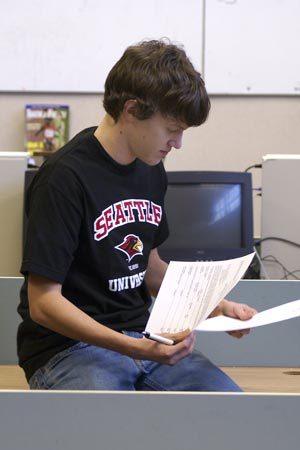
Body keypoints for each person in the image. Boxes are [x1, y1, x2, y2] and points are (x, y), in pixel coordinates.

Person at [17, 39, 257, 391]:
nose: (178, 143)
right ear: (131, 111)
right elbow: (43, 304)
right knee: (115, 427)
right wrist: (133, 347)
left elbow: (150, 268)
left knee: (228, 406)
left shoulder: (150, 167)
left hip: (142, 339)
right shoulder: (63, 178)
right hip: (67, 349)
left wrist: (217, 307)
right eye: (172, 129)